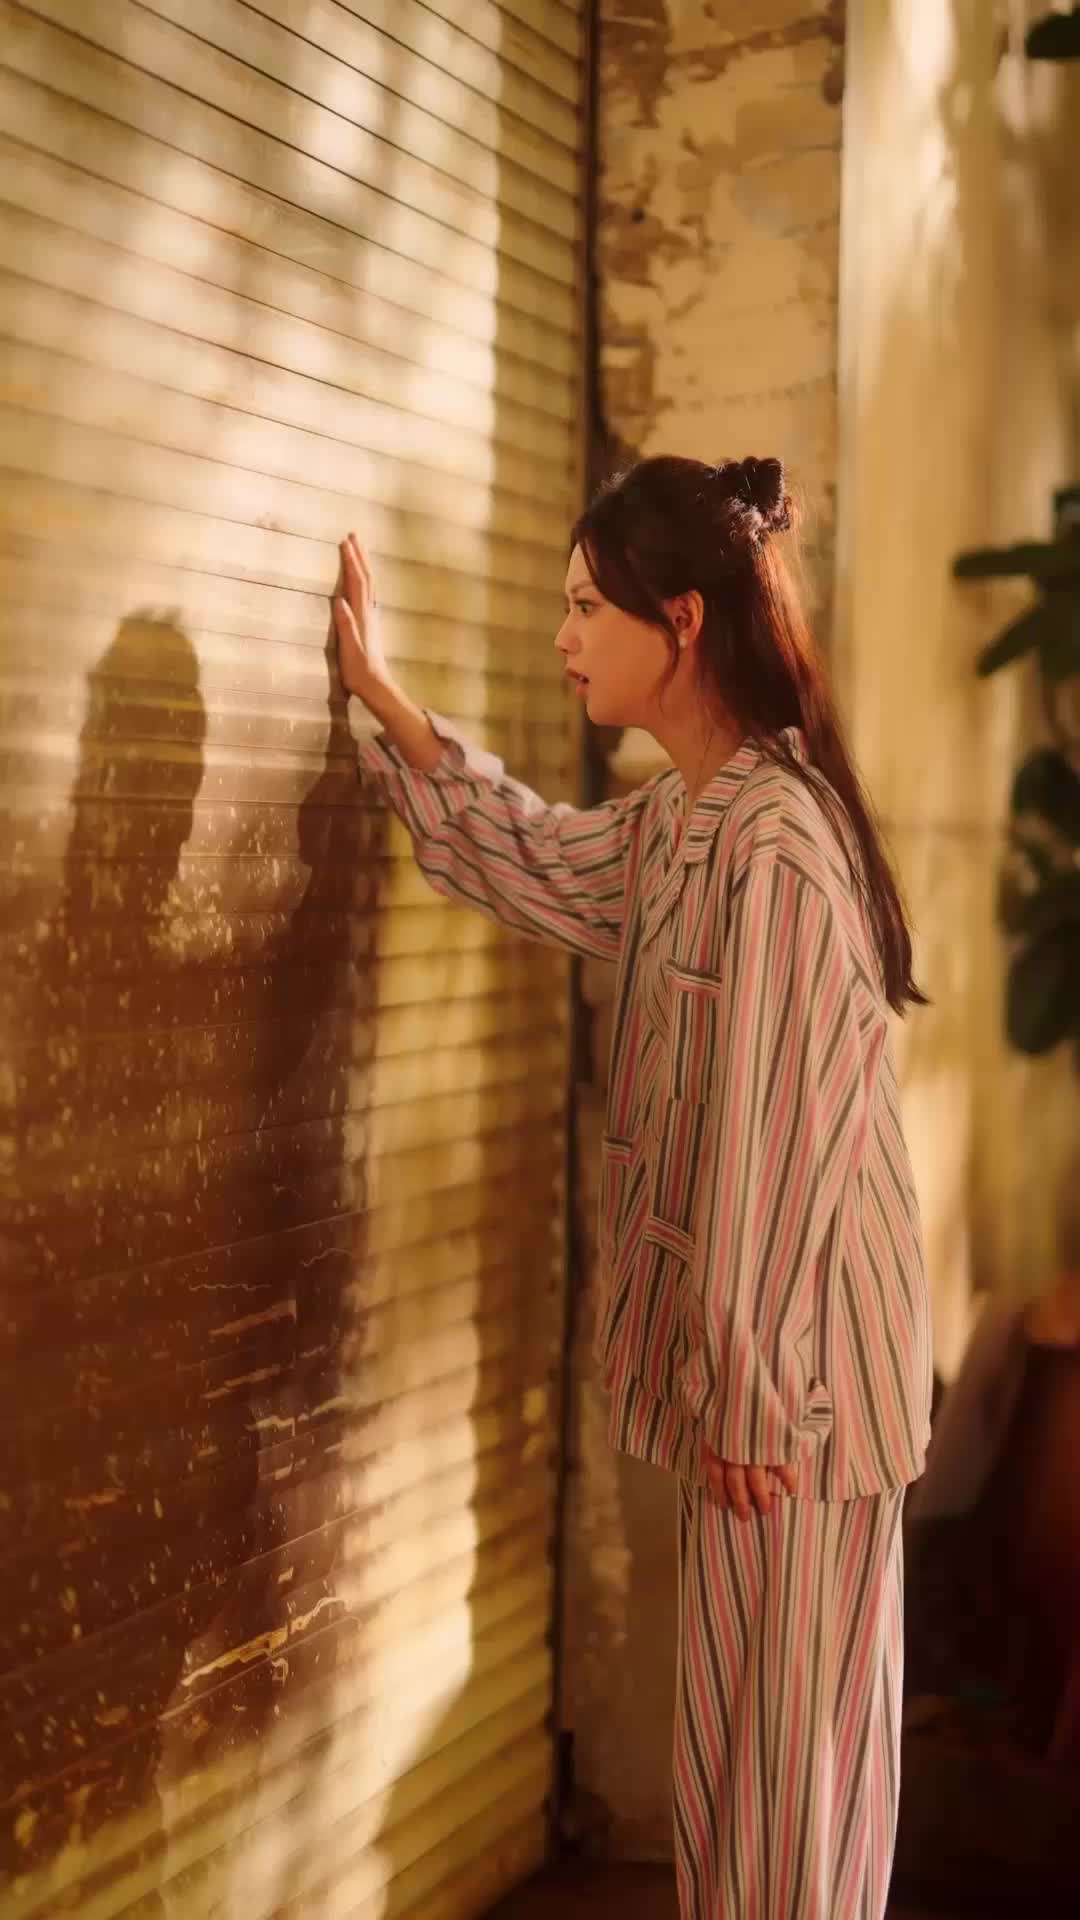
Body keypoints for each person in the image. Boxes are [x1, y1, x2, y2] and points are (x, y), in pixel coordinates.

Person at [333, 455, 933, 1920]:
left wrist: (748, 1394)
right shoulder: (688, 826)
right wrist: (387, 705)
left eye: (586, 608)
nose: (563, 639)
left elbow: (772, 1147)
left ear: (682, 621)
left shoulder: (774, 846)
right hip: (773, 1389)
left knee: (788, 1806)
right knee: (745, 1790)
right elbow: (540, 859)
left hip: (799, 1402)